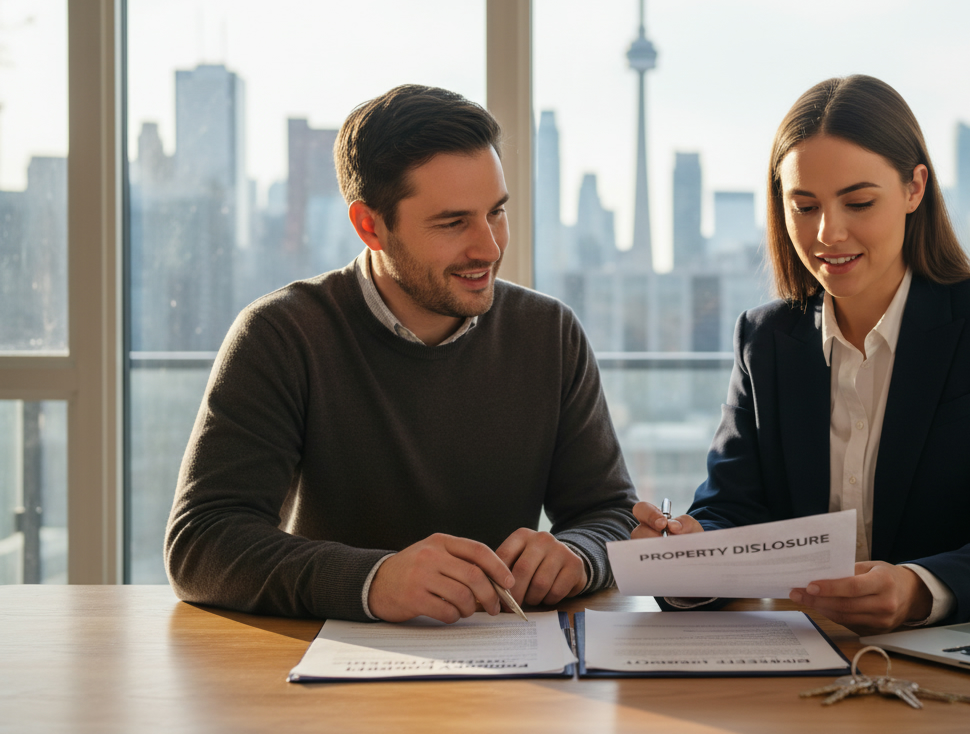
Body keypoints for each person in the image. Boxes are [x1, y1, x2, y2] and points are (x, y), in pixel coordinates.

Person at [166, 85, 638, 623]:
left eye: (497, 213)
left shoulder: (549, 332)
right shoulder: (282, 334)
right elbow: (201, 541)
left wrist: (579, 555)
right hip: (329, 671)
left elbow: (611, 514)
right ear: (371, 226)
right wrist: (372, 581)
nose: (489, 247)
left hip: (512, 669)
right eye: (453, 222)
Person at [632, 75, 970, 634]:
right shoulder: (766, 341)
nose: (827, 233)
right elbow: (731, 510)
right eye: (804, 206)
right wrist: (690, 556)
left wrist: (919, 588)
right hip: (803, 661)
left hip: (953, 658)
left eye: (858, 202)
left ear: (915, 189)